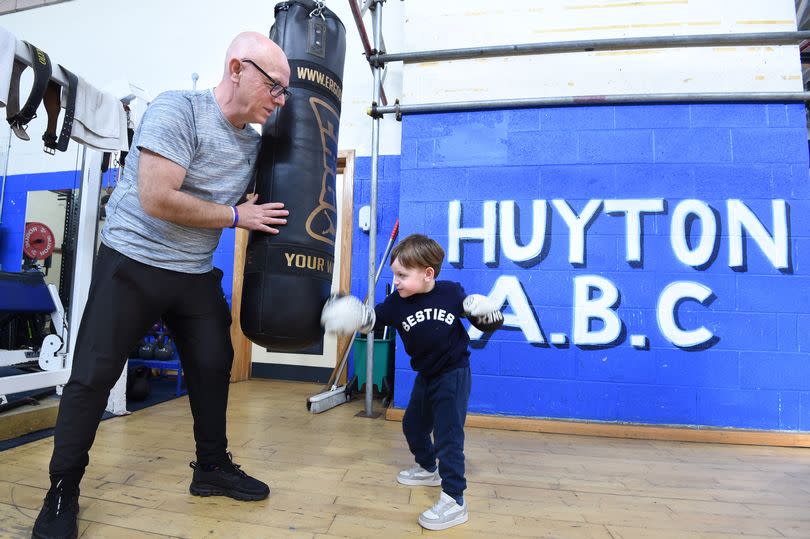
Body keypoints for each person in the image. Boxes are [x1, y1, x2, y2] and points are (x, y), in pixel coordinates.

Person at [32, 32, 292, 539]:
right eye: (274, 87)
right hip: (133, 260)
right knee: (91, 377)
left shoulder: (255, 145)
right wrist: (237, 215)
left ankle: (212, 468)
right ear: (237, 69)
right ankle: (62, 489)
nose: (278, 100)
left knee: (215, 365)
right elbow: (157, 197)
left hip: (192, 272)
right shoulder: (180, 111)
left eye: (283, 92)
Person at [320, 233, 504, 531]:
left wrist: (486, 313)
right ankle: (429, 468)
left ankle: (455, 499)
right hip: (427, 375)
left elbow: (488, 322)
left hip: (454, 374)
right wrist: (356, 315)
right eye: (395, 274)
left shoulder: (451, 293)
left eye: (403, 275)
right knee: (413, 426)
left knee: (448, 436)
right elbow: (372, 319)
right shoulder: (396, 302)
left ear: (428, 273)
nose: (397, 281)